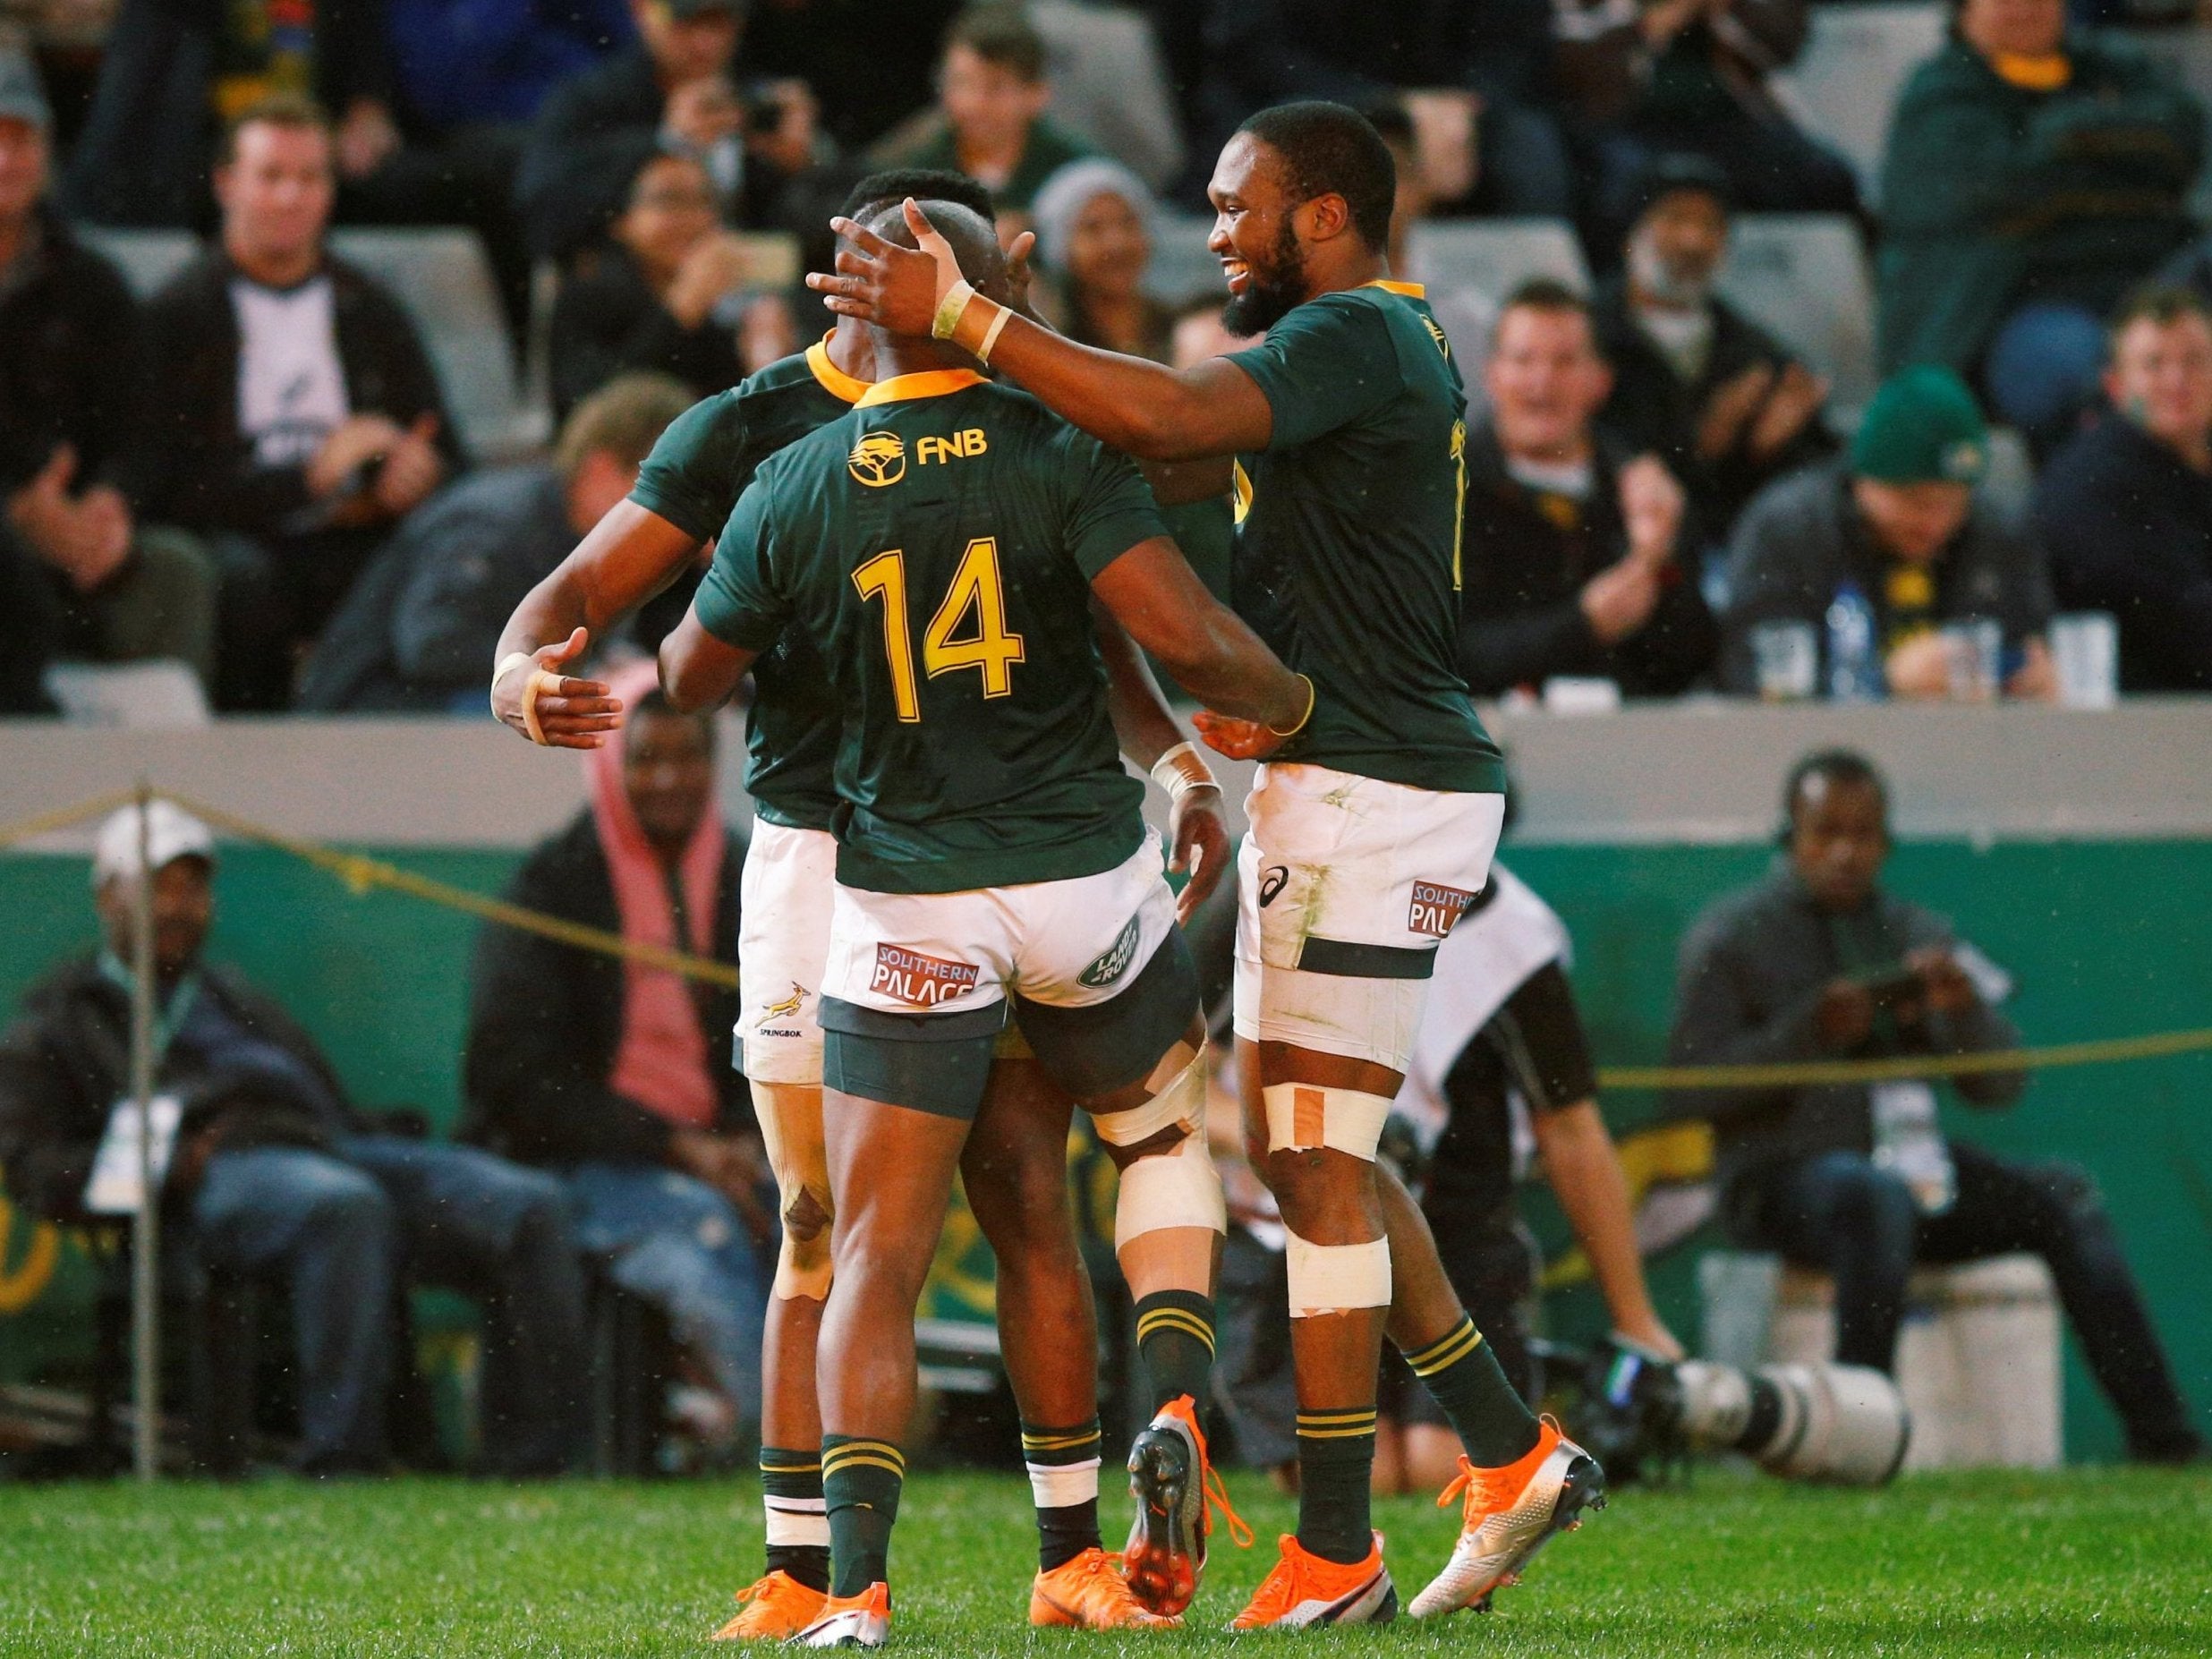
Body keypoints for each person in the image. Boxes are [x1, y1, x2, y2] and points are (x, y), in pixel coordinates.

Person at [812, 99, 1600, 1628]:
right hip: (1348, 782)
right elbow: (1145, 455)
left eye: (1238, 204)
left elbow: (1165, 423)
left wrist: (968, 317)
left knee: (1304, 1157)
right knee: (1328, 1148)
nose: (1215, 227)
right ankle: (1506, 1452)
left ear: (1323, 215)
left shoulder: (1355, 333)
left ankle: (1336, 1542)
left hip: (1369, 786)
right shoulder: (1347, 362)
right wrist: (1012, 335)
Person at [496, 170, 1237, 1641]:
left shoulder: (1028, 414)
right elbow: (572, 592)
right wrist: (517, 666)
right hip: (826, 851)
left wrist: (1170, 760)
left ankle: (1061, 1551)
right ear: (860, 278)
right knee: (820, 1220)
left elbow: (1102, 654)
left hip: (987, 849)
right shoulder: (749, 425)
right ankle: (806, 1561)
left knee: (1017, 1191)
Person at [659, 195, 1312, 1648]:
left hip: (901, 897)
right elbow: (1184, 639)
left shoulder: (792, 479)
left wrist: (764, 613)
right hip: (1079, 880)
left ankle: (852, 1587)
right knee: (1131, 1153)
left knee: (867, 1247)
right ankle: (1163, 1418)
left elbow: (688, 678)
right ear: (971, 289)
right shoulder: (1064, 451)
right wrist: (1283, 707)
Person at [0, 802, 588, 1476]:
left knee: (526, 1203)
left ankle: (535, 1463)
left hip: (326, 1147)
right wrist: (164, 1170)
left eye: (193, 887)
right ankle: (344, 1461)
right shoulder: (59, 1019)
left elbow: (322, 1101)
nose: (178, 905)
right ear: (108, 895)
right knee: (343, 1206)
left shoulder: (228, 992)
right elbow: (35, 1168)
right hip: (211, 1178)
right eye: (158, 885)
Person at [1667, 751, 2204, 1465]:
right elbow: (1688, 1091)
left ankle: (2165, 1444)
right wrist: (1808, 1030)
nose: (1844, 853)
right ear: (1789, 836)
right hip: (1778, 1183)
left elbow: (1999, 1086)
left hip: (1912, 1172)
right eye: (1825, 832)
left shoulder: (1914, 931)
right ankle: (1862, 1440)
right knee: (1872, 1198)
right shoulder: (1732, 933)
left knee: (2063, 1197)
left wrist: (1963, 1016)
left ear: (1887, 843)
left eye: (1863, 835)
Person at [1210, 862, 1685, 1498]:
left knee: (1443, 1467)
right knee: (1364, 1473)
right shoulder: (1272, 884)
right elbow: (1171, 1077)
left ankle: (1555, 1413)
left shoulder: (1510, 936)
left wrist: (1636, 1317)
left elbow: (1571, 1127)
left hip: (1455, 1238)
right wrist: (1302, 1131)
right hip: (1293, 1237)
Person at [464, 668, 771, 1454]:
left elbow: (774, 1026)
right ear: (608, 765)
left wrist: (739, 1141)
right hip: (578, 1161)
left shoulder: (745, 875)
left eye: (688, 757)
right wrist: (674, 1147)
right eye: (645, 758)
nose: (668, 779)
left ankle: (855, 1440)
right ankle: (764, 1458)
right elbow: (514, 1077)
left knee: (816, 1213)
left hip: (721, 1156)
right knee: (702, 1232)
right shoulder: (553, 885)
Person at [138, 96, 463, 712]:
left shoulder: (371, 309)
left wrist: (416, 473)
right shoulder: (176, 316)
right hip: (243, 539)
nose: (291, 198)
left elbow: (448, 449)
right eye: (271, 177)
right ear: (226, 184)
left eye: (309, 178)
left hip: (364, 535)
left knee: (433, 559)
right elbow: (162, 482)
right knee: (245, 582)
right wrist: (311, 482)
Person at [62, 0, 534, 336]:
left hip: (322, 161)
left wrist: (368, 109)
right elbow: (135, 115)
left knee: (475, 188)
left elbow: (367, 69)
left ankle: (509, 372)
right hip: (212, 170)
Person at [1876, 0, 2203, 447]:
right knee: (2105, 377)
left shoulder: (2113, 63)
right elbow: (2005, 185)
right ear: (1964, 9)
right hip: (2013, 315)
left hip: (2152, 289)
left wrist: (2059, 147)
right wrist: (2116, 150)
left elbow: (2184, 134)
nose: (2025, 6)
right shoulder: (1938, 94)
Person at [0, 52, 217, 710]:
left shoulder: (91, 281)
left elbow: (147, 422)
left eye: (21, 138)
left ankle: (176, 788)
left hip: (84, 530)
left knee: (179, 568)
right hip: (8, 522)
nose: (7, 160)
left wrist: (113, 505)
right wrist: (17, 506)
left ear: (47, 152)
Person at [301, 375, 693, 711]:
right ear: (602, 471)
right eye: (671, 490)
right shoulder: (491, 523)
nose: (680, 513)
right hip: (370, 711)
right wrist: (569, 675)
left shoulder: (595, 543)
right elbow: (432, 643)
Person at [1721, 364, 2056, 701]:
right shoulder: (1789, 530)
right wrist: (1882, 681)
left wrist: (2031, 680)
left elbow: (2028, 647)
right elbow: (1751, 674)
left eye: (1953, 503)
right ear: (1864, 482)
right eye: (1915, 501)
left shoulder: (1997, 532)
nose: (1935, 523)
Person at [1458, 280, 1717, 699]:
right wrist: (1580, 626)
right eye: (1524, 360)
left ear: (1600, 381)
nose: (1542, 381)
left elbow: (1689, 659)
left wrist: (1661, 561)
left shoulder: (1644, 493)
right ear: (1492, 375)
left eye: (1564, 362)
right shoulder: (1441, 488)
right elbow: (1432, 655)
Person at [1591, 154, 1833, 539]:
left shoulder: (1756, 352)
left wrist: (1768, 451)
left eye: (1711, 225)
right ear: (1630, 237)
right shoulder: (1585, 339)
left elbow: (1814, 478)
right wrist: (1696, 448)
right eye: (1675, 219)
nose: (1694, 241)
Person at [516, 0, 819, 262]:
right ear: (641, 10)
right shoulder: (588, 100)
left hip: (754, 292)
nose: (705, 43)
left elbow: (810, 227)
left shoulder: (755, 97)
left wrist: (798, 166)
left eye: (720, 23)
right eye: (686, 22)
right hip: (633, 301)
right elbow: (542, 215)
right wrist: (662, 143)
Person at [2034, 285, 2212, 692]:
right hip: (2132, 725)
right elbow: (2182, 622)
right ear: (2116, 385)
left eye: (2195, 361)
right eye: (2153, 365)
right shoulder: (2091, 486)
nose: (2177, 380)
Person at [548, 149, 753, 417]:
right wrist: (679, 313)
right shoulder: (586, 295)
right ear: (621, 220)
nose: (693, 219)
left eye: (704, 201)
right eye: (670, 200)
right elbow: (596, 406)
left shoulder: (711, 305)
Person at [877, 5, 1092, 228]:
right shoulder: (914, 167)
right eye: (962, 83)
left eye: (996, 87)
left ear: (1036, 93)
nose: (975, 104)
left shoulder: (1078, 169)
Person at [1363, 100, 1495, 379]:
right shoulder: (1281, 319)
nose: (1373, 193)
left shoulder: (1469, 321)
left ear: (1421, 190)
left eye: (1391, 172)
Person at [1029, 158, 1173, 362]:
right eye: (1092, 228)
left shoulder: (1179, 329)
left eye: (1128, 222)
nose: (1117, 244)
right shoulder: (1052, 339)